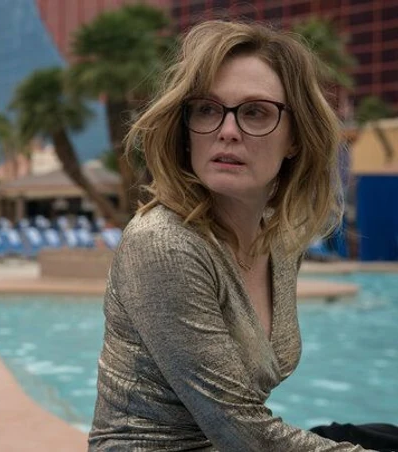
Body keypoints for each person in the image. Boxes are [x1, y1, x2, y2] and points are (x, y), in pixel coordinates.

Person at [88, 20, 397, 451]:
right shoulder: (163, 242)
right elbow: (240, 429)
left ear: (295, 138)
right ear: (186, 128)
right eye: (207, 109)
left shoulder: (280, 241)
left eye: (255, 112)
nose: (227, 130)